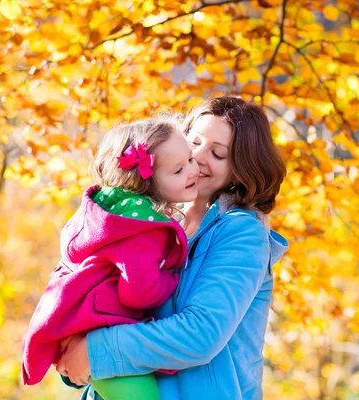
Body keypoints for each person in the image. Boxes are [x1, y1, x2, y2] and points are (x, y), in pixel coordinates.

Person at [56, 96, 289, 400]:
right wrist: (73, 346)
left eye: (218, 154)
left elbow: (200, 333)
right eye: (194, 141)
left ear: (240, 170)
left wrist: (95, 351)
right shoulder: (151, 220)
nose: (199, 156)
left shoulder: (241, 233)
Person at [21, 116, 199, 400]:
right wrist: (172, 276)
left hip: (85, 324)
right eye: (178, 170)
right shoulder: (143, 229)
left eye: (190, 159)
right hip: (99, 332)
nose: (193, 170)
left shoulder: (111, 214)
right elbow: (140, 293)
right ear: (147, 183)